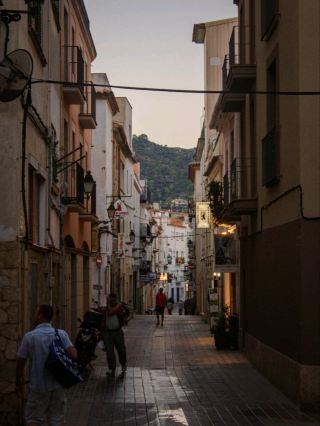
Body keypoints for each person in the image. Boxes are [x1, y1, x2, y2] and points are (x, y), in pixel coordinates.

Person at [16, 304, 77, 426]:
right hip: (58, 385)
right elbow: (74, 355)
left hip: (38, 386)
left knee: (34, 419)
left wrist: (19, 382)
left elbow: (21, 362)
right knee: (56, 419)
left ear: (40, 315)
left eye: (36, 313)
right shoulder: (61, 334)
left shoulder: (30, 337)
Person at [102, 293, 127, 378]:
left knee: (121, 350)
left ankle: (123, 364)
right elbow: (107, 313)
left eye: (112, 299)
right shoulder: (107, 308)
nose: (111, 301)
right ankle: (112, 369)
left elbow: (111, 312)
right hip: (107, 333)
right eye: (110, 299)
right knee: (109, 352)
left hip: (117, 332)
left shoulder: (119, 306)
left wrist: (108, 303)